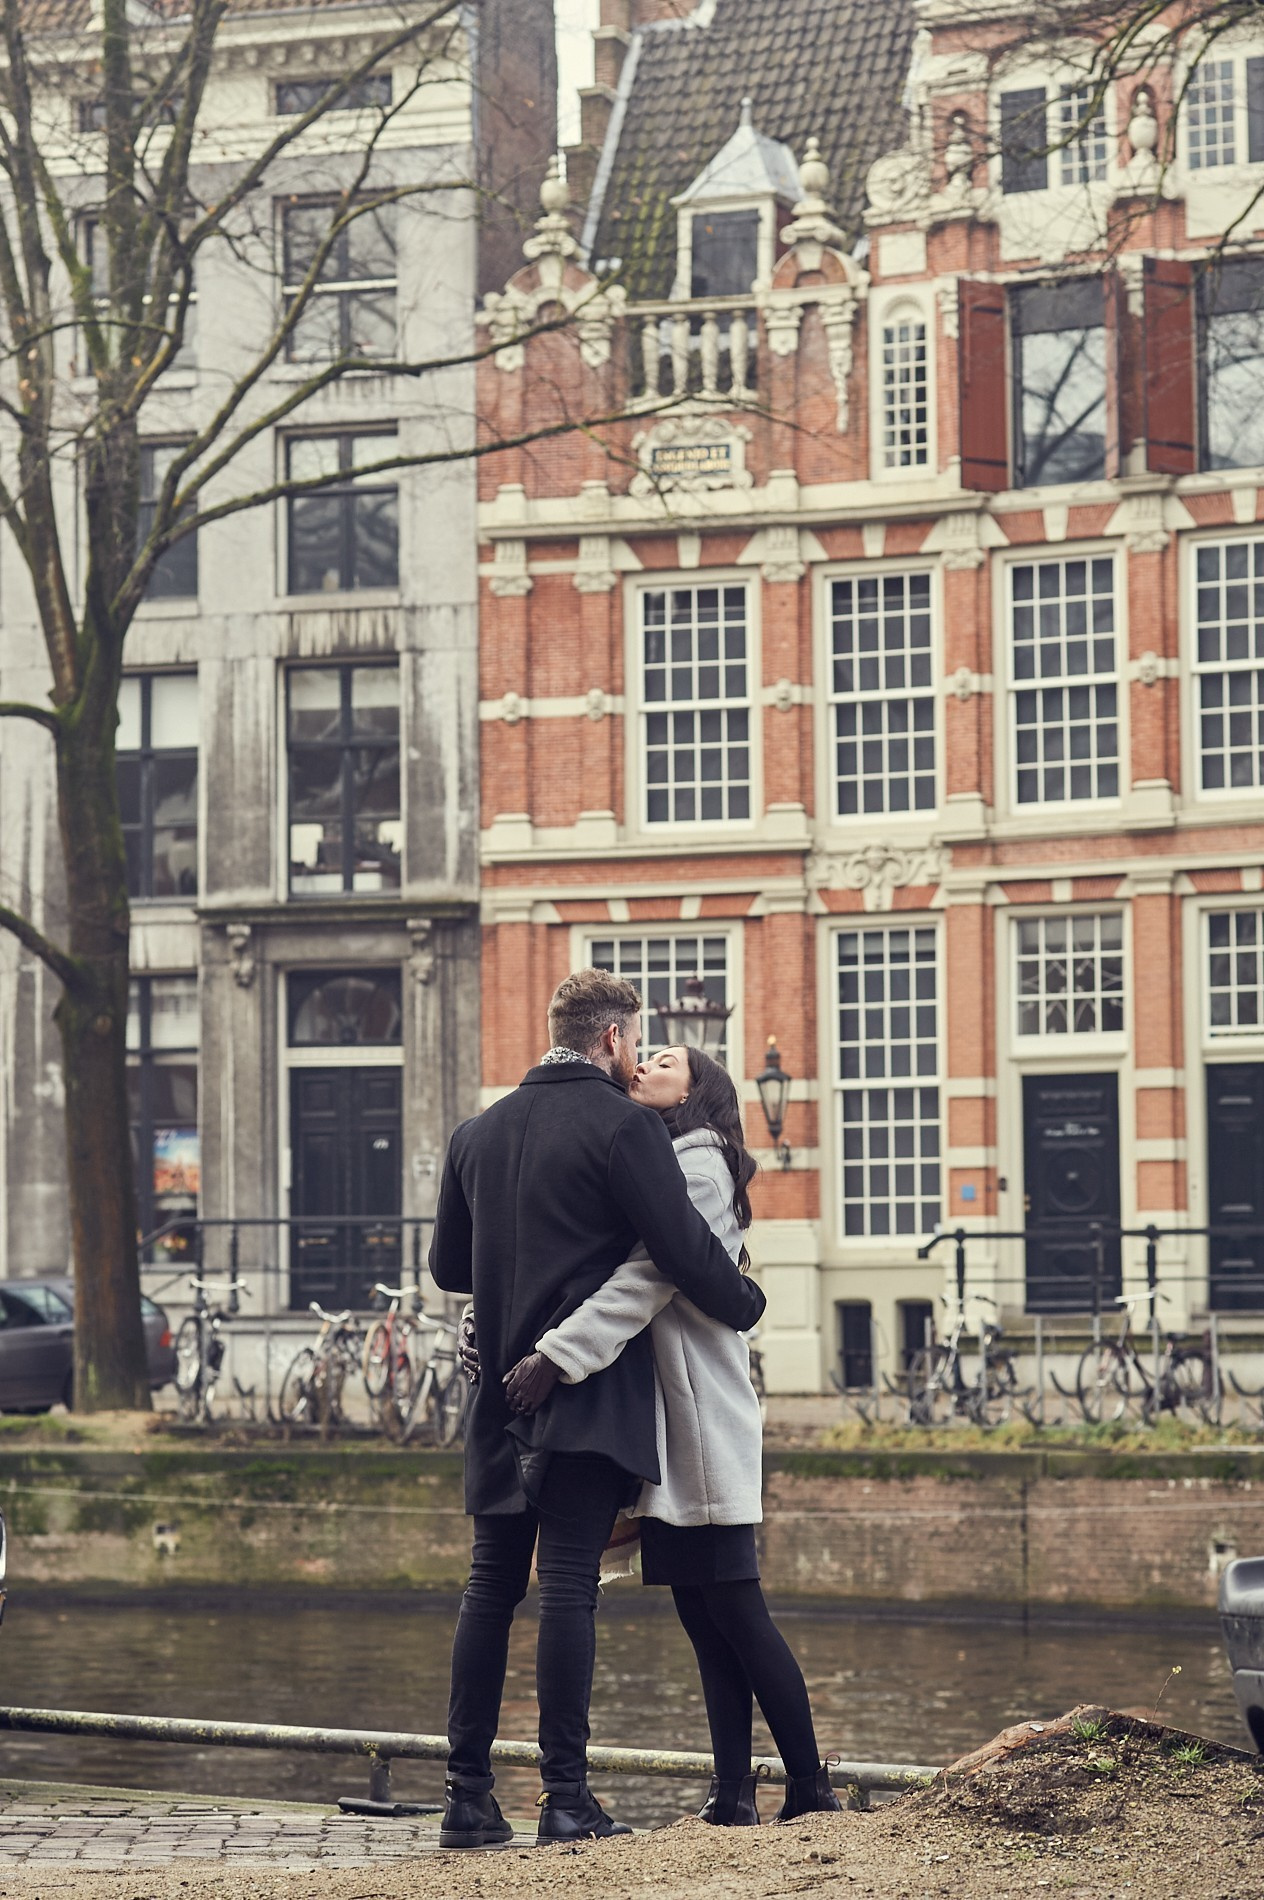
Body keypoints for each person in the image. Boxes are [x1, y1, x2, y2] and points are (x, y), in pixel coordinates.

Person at [428, 970, 766, 1849]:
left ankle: (467, 1797)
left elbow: (450, 1269)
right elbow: (682, 1253)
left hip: (497, 1386)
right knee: (569, 1585)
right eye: (636, 1044)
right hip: (585, 1391)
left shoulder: (476, 1133)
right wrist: (743, 1301)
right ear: (613, 1039)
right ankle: (565, 1801)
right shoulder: (625, 1128)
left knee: (489, 1585)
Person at [504, 1044, 841, 1828]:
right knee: (705, 1617)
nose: (646, 1064)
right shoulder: (659, 1155)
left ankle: (810, 1785)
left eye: (665, 1061)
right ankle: (733, 1793)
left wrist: (558, 1354)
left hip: (704, 1424)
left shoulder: (696, 1164)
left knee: (740, 1613)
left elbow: (648, 1277)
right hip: (678, 1432)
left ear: (698, 1091)